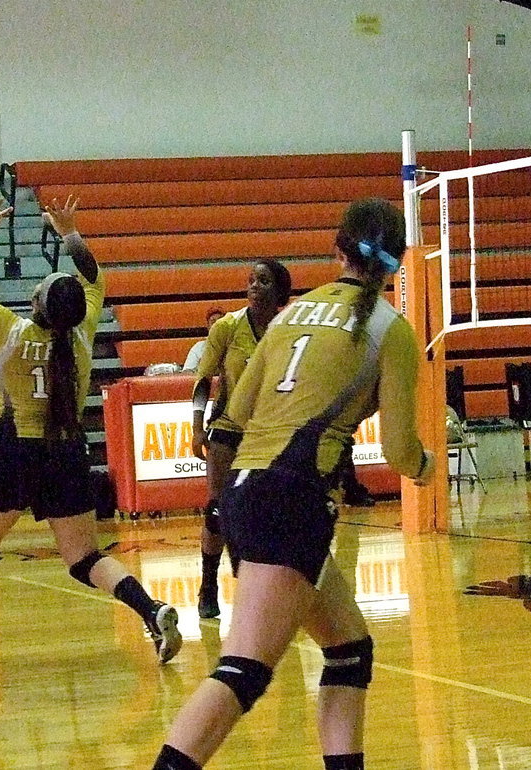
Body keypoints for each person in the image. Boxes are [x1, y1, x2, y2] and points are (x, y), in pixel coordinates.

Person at [153, 198, 433, 770]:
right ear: (398, 262)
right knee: (245, 670)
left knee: (349, 649)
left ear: (336, 250)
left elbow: (235, 414)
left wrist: (220, 497)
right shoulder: (390, 329)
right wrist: (431, 467)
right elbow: (402, 452)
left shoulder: (291, 315)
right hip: (292, 497)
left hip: (249, 490)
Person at [0, 195, 181, 674]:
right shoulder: (84, 333)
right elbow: (95, 278)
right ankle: (151, 610)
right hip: (68, 451)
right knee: (85, 557)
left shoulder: (8, 330)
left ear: (35, 304)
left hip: (13, 449)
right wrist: (69, 231)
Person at [189, 259, 292, 619]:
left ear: (279, 292)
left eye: (263, 281)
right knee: (218, 511)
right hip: (228, 429)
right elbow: (203, 380)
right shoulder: (229, 327)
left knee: (267, 513)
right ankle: (207, 585)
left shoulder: (287, 331)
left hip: (269, 433)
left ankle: (261, 585)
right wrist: (196, 426)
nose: (253, 286)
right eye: (250, 280)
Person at [182, 308, 225, 373]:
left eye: (220, 322)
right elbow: (187, 372)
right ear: (208, 327)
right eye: (213, 322)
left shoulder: (235, 345)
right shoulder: (198, 347)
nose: (216, 325)